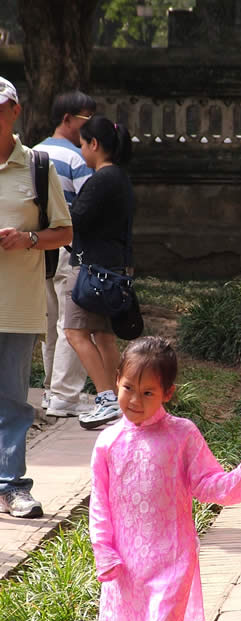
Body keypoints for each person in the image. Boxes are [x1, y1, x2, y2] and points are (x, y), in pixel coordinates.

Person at [89, 336, 241, 621]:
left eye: (148, 392)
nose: (135, 399)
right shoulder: (108, 443)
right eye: (129, 388)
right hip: (126, 568)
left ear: (167, 393)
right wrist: (105, 552)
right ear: (117, 382)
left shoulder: (182, 435)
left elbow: (208, 483)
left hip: (172, 560)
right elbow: (100, 506)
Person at [0, 77, 72, 519]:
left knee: (12, 398)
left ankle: (12, 485)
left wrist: (27, 238)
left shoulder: (38, 166)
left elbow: (64, 232)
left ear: (15, 111)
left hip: (19, 304)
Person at [63, 115, 135, 429]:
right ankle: (124, 399)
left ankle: (107, 398)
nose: (81, 151)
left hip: (93, 269)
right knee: (104, 336)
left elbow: (75, 220)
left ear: (94, 144)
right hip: (114, 267)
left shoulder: (101, 180)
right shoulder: (121, 178)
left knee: (75, 331)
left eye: (81, 144)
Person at [35, 91, 95, 418]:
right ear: (67, 119)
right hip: (69, 249)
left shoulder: (31, 153)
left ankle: (49, 391)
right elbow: (88, 208)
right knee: (71, 322)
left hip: (37, 248)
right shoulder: (77, 159)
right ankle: (65, 395)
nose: (91, 127)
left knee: (49, 321)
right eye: (87, 119)